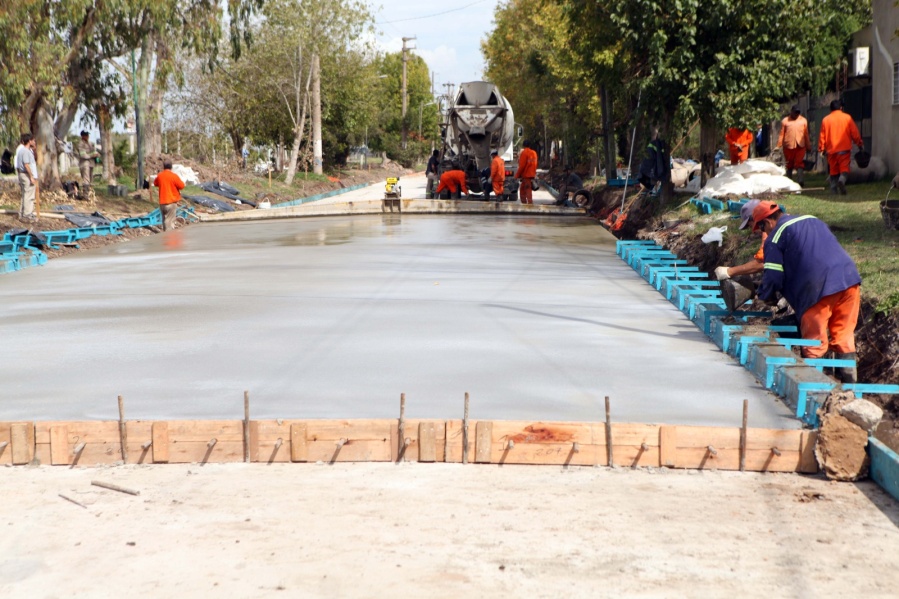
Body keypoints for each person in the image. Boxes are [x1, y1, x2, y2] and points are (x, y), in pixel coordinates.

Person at [752, 201, 861, 382]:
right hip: (849, 280)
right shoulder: (812, 220)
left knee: (814, 343)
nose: (764, 233)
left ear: (768, 221)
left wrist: (767, 296)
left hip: (818, 289)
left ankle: (815, 393)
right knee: (844, 338)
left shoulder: (776, 236)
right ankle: (850, 392)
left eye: (761, 228)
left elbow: (772, 276)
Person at [818, 99, 864, 195]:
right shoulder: (847, 118)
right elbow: (854, 133)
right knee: (844, 169)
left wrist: (822, 149)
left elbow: (822, 136)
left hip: (831, 151)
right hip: (844, 150)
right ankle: (842, 180)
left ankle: (834, 190)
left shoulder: (825, 120)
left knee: (833, 171)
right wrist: (859, 144)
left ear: (830, 109)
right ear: (841, 108)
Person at [714, 200, 766, 280]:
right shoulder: (784, 221)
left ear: (756, 218)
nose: (752, 230)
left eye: (750, 225)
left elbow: (762, 262)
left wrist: (729, 271)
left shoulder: (770, 234)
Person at [775, 105, 811, 186]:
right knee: (789, 164)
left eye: (798, 113)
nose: (796, 114)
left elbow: (806, 135)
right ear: (791, 112)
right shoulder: (785, 121)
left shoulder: (803, 120)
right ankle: (789, 182)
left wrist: (808, 146)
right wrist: (778, 145)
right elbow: (781, 134)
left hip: (800, 146)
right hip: (788, 146)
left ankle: (800, 180)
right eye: (795, 113)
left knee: (799, 163)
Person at [153, 161, 185, 231]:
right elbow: (182, 186)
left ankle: (165, 238)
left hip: (162, 203)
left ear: (163, 167)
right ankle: (169, 240)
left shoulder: (160, 175)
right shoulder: (173, 176)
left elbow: (155, 183)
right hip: (171, 202)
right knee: (169, 222)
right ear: (171, 167)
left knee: (165, 220)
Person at [15, 133, 38, 222]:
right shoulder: (25, 151)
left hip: (23, 174)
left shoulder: (23, 150)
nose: (34, 141)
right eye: (33, 140)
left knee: (25, 194)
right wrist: (31, 176)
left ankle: (22, 213)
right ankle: (27, 215)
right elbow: (26, 165)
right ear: (29, 141)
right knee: (29, 195)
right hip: (26, 175)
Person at [515, 139, 538, 204]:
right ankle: (526, 204)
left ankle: (529, 204)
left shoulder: (524, 153)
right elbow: (535, 164)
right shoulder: (534, 153)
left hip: (526, 175)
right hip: (532, 175)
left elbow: (522, 166)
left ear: (523, 145)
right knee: (524, 189)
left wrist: (517, 175)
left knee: (526, 190)